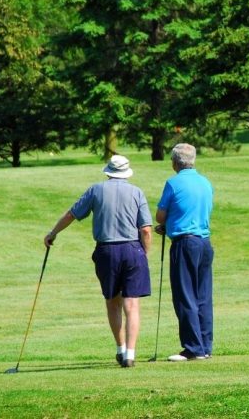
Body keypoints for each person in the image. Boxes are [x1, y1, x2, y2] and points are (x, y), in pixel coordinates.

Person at [44, 155, 152, 368]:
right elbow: (146, 230)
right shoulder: (137, 192)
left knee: (113, 301)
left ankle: (120, 348)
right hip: (132, 249)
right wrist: (144, 253)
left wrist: (53, 233)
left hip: (106, 251)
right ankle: (130, 353)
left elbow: (71, 214)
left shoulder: (96, 190)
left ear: (108, 171)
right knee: (132, 304)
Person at [155, 143, 215, 362]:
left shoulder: (173, 183)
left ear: (174, 162)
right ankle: (205, 346)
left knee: (185, 296)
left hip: (184, 243)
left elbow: (160, 216)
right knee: (203, 296)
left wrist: (167, 224)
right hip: (204, 242)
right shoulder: (205, 182)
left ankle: (192, 348)